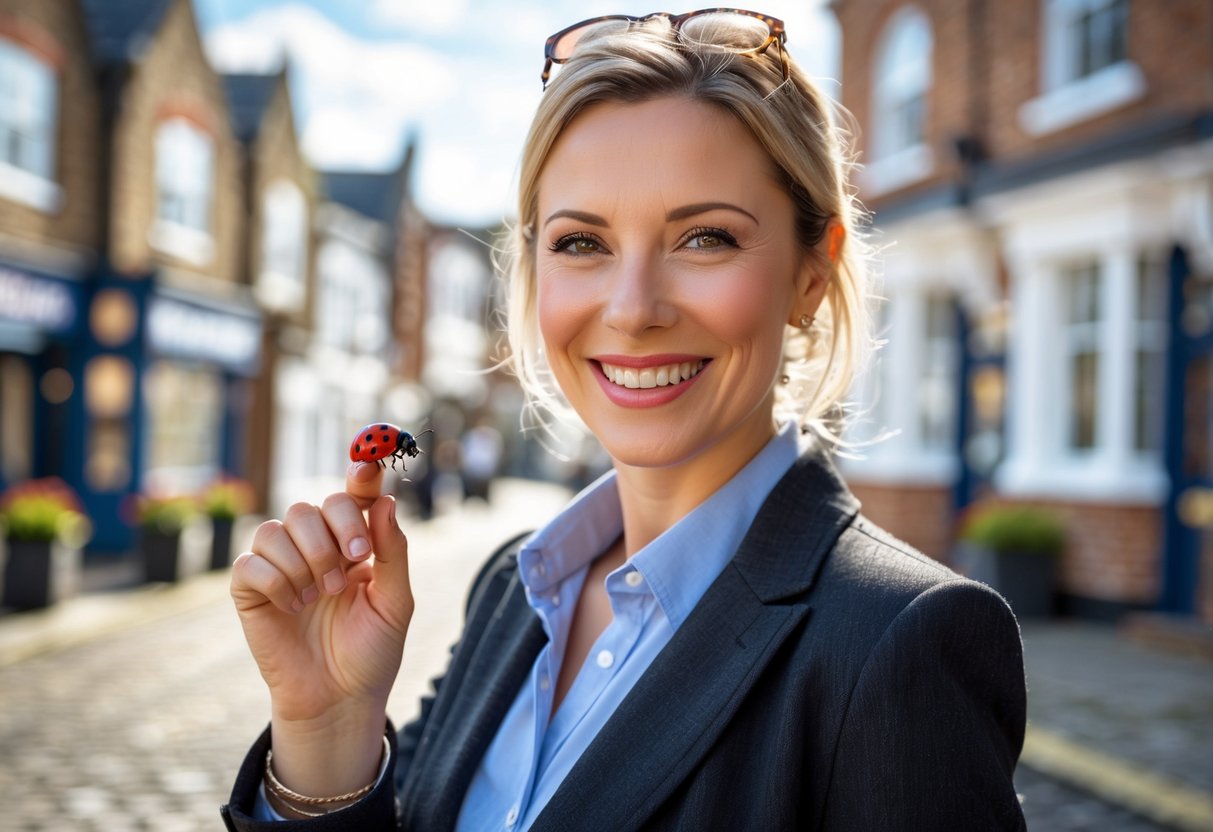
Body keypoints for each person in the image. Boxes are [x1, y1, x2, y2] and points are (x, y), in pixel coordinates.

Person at [221, 9, 1027, 830]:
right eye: (581, 244)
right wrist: (327, 727)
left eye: (705, 238)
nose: (633, 309)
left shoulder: (901, 641)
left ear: (811, 275)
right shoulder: (515, 587)